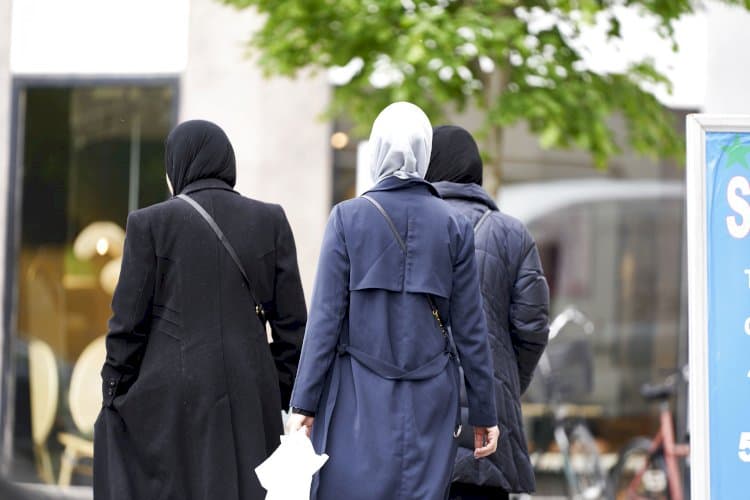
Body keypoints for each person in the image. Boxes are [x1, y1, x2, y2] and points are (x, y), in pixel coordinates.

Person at [286, 103, 500, 500]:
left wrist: (304, 404)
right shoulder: (454, 224)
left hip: (357, 396)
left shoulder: (347, 218)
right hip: (430, 400)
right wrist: (485, 412)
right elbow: (471, 329)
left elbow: (325, 321)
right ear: (424, 152)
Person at [93, 120, 307, 500]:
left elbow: (127, 326)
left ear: (178, 164)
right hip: (250, 396)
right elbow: (293, 329)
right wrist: (277, 393)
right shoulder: (270, 220)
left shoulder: (149, 224)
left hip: (172, 400)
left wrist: (113, 393)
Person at [425, 125, 550, 500]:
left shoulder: (409, 229)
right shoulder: (512, 234)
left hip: (419, 423)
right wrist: (504, 384)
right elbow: (532, 329)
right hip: (487, 431)